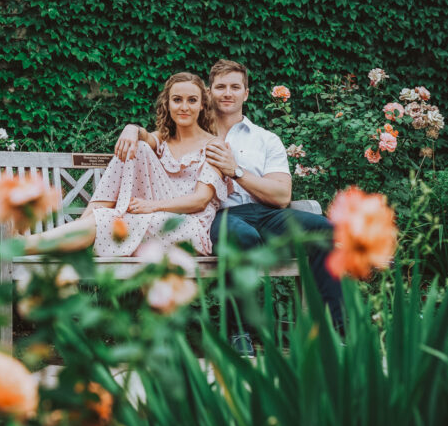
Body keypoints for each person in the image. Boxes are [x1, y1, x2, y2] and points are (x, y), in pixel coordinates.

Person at [200, 59, 344, 336]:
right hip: (220, 217)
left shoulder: (266, 140)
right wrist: (134, 130)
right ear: (209, 92)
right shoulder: (195, 134)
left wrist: (236, 171)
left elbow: (281, 195)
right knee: (242, 237)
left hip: (267, 214)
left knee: (324, 230)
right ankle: (239, 332)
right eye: (220, 87)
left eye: (234, 87)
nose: (227, 93)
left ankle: (333, 331)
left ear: (246, 93)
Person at [20, 72, 231, 256]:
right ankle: (48, 237)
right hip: (153, 215)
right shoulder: (163, 140)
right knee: (137, 147)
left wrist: (151, 206)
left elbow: (200, 201)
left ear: (203, 105)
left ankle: (27, 244)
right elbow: (144, 137)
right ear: (167, 104)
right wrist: (131, 128)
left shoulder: (214, 146)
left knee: (115, 221)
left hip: (188, 227)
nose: (184, 107)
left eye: (192, 100)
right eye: (177, 100)